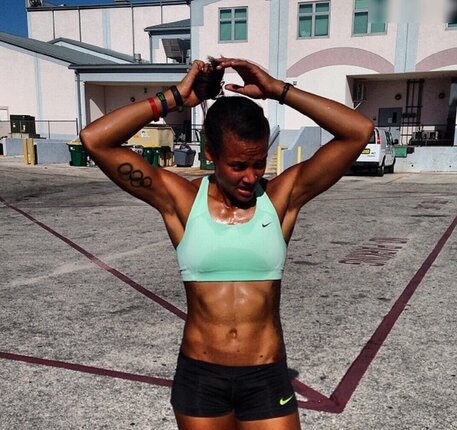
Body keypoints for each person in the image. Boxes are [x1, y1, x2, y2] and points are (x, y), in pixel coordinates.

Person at [80, 57, 374, 430]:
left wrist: (277, 90)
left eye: (259, 163)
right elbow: (95, 139)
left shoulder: (280, 199)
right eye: (238, 166)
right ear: (211, 154)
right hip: (201, 377)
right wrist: (174, 97)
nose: (251, 177)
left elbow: (358, 131)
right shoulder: (182, 201)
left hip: (265, 374)